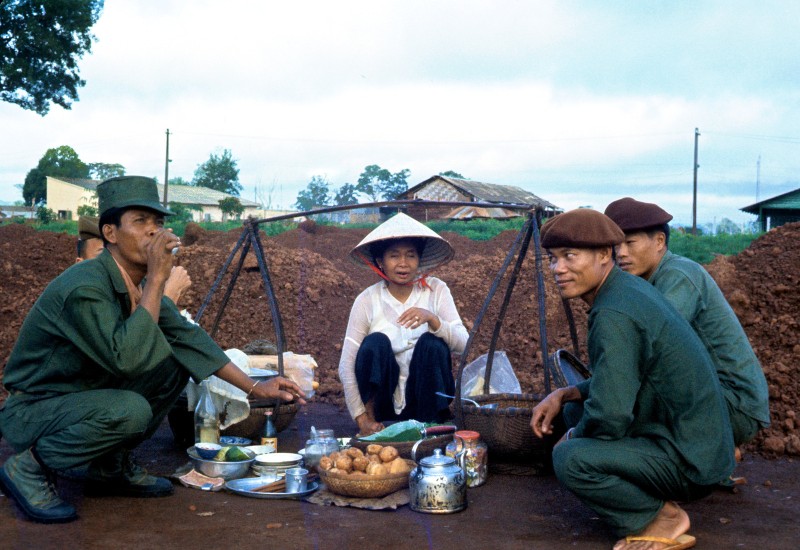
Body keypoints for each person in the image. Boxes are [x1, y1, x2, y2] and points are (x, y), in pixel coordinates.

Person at [0, 175, 305, 524]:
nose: (153, 231)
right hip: (35, 409)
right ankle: (29, 467)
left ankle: (109, 467)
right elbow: (127, 359)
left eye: (158, 222)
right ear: (110, 234)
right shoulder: (86, 285)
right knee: (131, 409)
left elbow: (188, 338)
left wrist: (255, 386)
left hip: (81, 398)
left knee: (174, 362)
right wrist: (160, 280)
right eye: (140, 221)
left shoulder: (139, 282)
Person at [530, 209, 734, 550]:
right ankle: (647, 497)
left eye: (570, 256)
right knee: (573, 413)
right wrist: (565, 394)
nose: (558, 269)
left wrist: (572, 439)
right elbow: (621, 380)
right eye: (552, 259)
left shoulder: (613, 313)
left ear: (605, 255)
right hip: (695, 441)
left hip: (691, 458)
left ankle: (660, 518)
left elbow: (610, 415)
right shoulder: (625, 290)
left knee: (570, 458)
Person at [604, 197, 769, 450]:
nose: (621, 253)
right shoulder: (649, 282)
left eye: (630, 243)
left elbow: (649, 347)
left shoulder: (679, 275)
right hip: (713, 399)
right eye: (616, 245)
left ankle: (705, 457)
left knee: (626, 409)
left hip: (734, 406)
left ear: (659, 241)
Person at [338, 213, 468, 436]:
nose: (403, 264)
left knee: (431, 343)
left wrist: (433, 320)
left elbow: (464, 344)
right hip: (384, 406)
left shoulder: (436, 290)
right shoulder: (367, 300)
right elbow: (346, 365)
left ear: (419, 260)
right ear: (381, 261)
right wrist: (361, 418)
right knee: (375, 342)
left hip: (424, 401)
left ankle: (432, 425)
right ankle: (373, 420)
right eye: (394, 256)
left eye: (411, 255)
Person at [76, 215, 191, 306]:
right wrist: (169, 297)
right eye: (102, 253)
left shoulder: (139, 286)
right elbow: (139, 334)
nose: (110, 259)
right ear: (79, 264)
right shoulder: (85, 293)